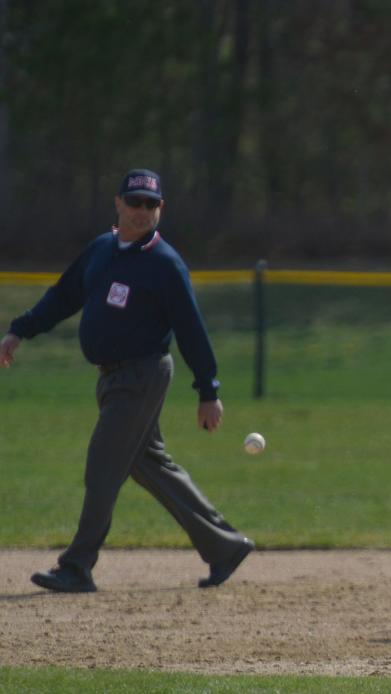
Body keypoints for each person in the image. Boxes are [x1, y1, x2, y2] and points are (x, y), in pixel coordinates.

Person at [0, 168, 254, 593]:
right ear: (118, 204)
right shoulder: (101, 249)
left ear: (161, 209)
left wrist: (208, 391)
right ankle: (224, 546)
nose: (141, 211)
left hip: (141, 375)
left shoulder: (165, 264)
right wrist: (19, 330)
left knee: (103, 465)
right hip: (113, 378)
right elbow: (63, 297)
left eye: (150, 204)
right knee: (147, 463)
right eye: (134, 202)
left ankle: (77, 565)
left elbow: (192, 330)